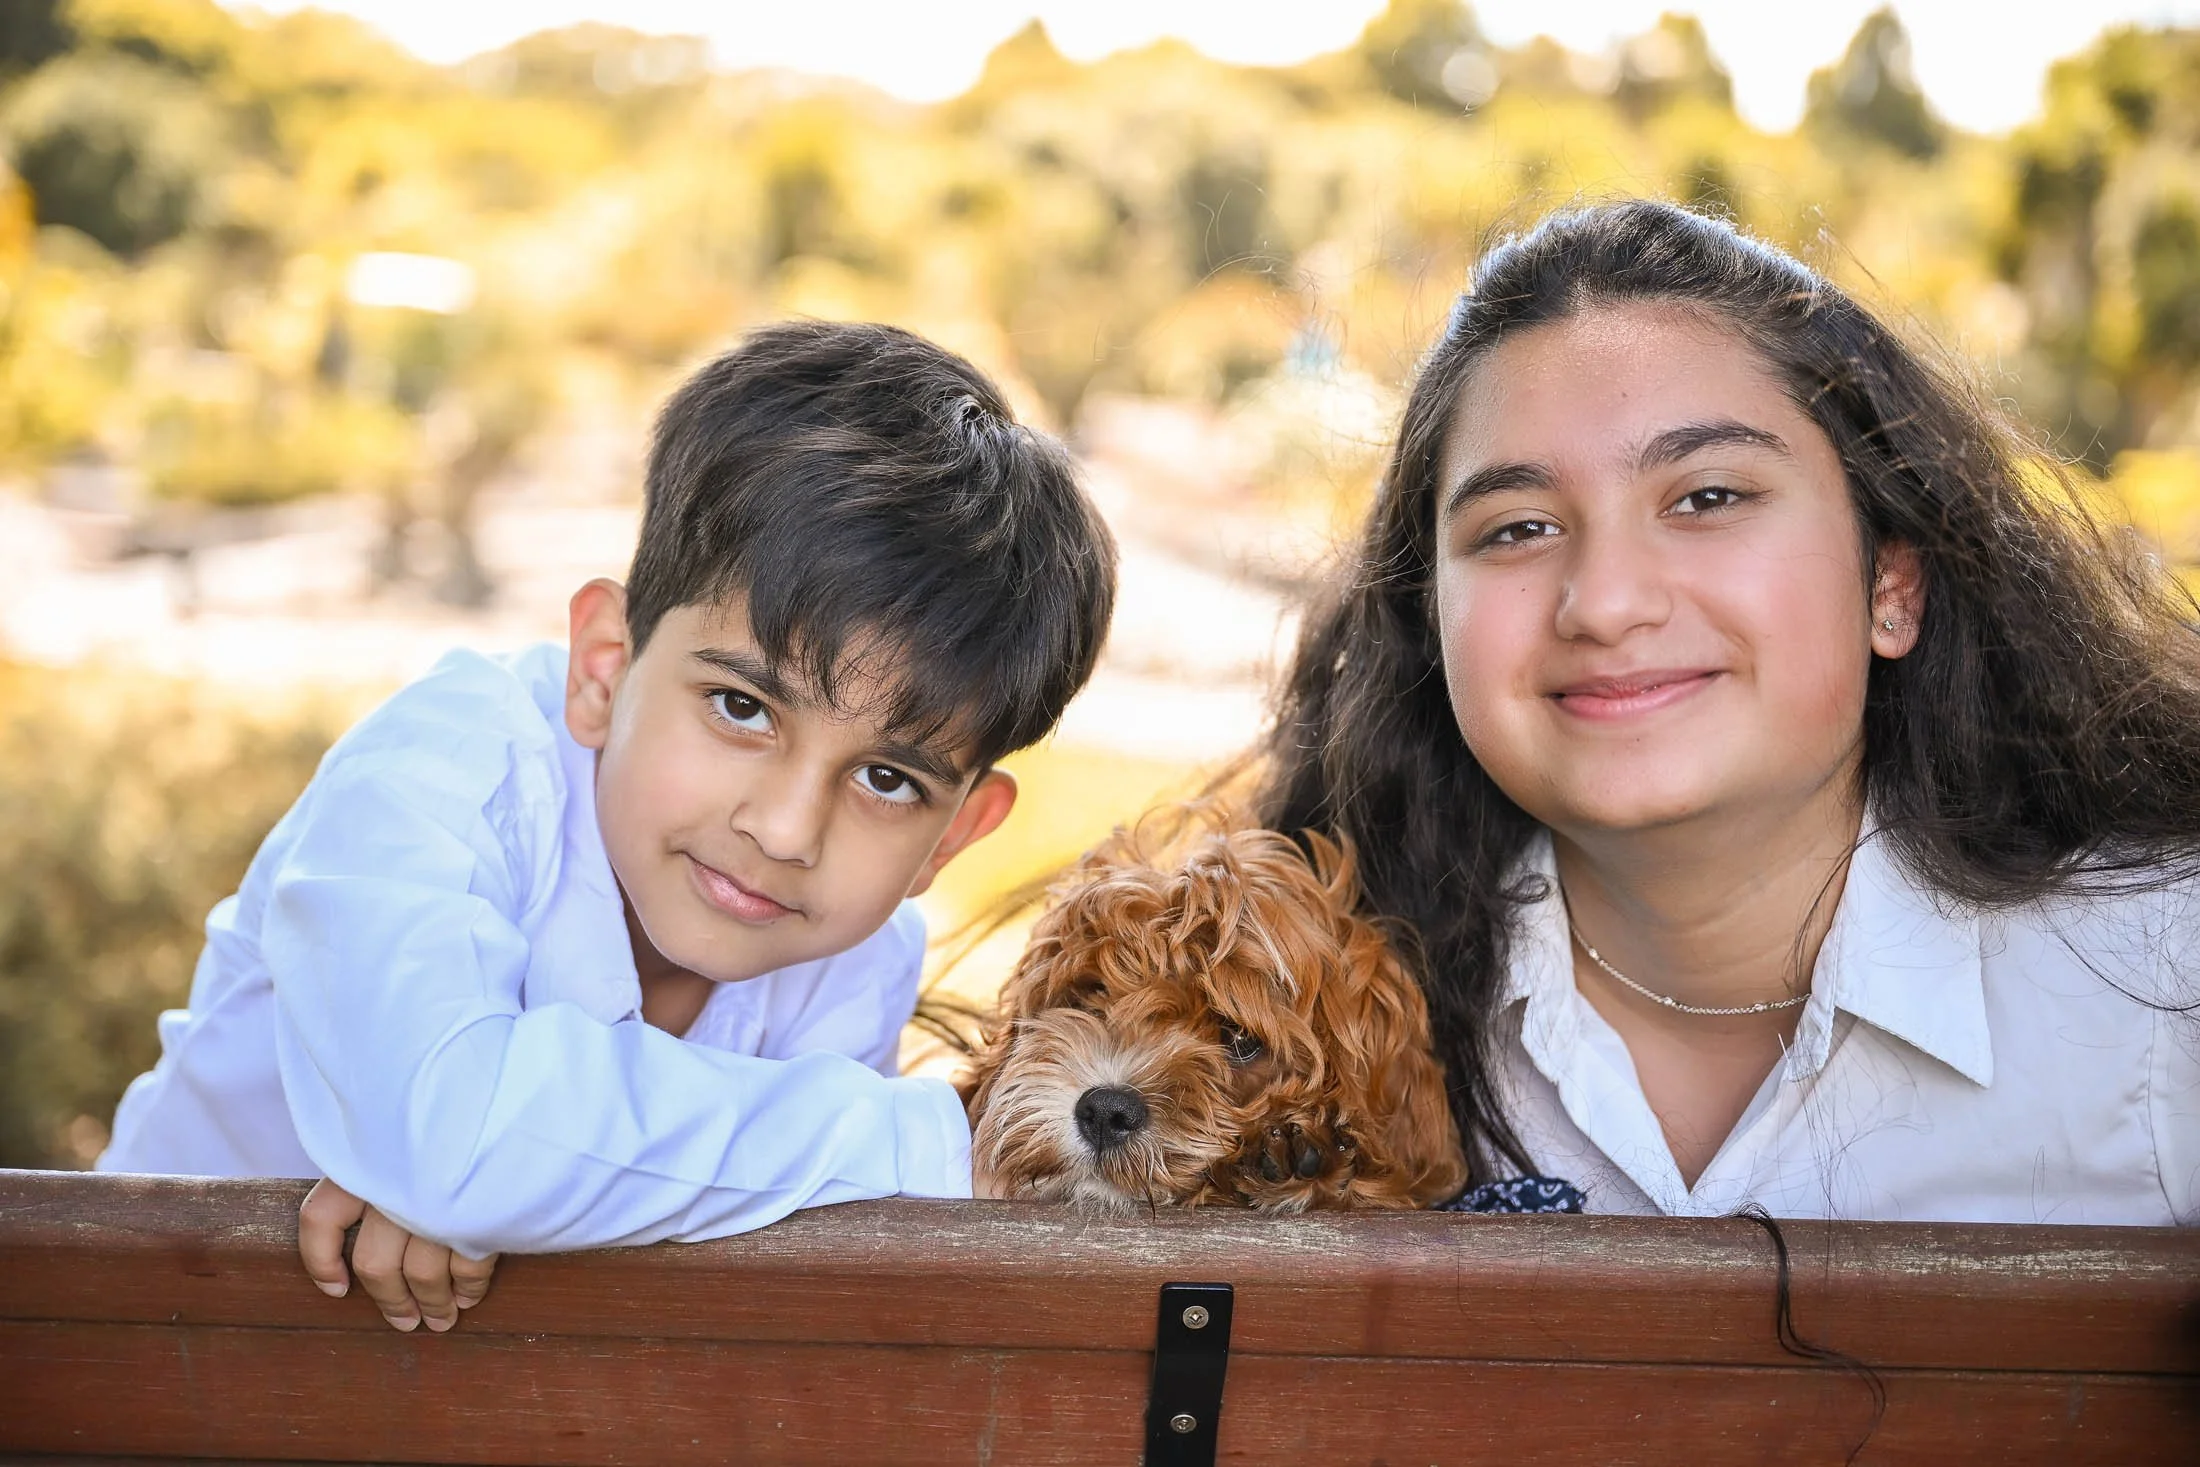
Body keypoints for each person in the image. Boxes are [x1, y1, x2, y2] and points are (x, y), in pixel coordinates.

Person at [99, 321, 1118, 1326]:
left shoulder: (853, 954)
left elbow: (748, 1249)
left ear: (951, 837)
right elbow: (462, 1147)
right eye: (742, 708)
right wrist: (922, 1144)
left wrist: (510, 1185)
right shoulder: (442, 774)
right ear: (604, 666)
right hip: (122, 1361)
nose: (786, 829)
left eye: (888, 780)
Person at [1258, 200, 2200, 1224]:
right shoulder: (1285, 1015)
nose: (1607, 603)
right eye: (1519, 527)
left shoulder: (2163, 988)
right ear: (1428, 615)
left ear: (1891, 581)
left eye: (1707, 497)